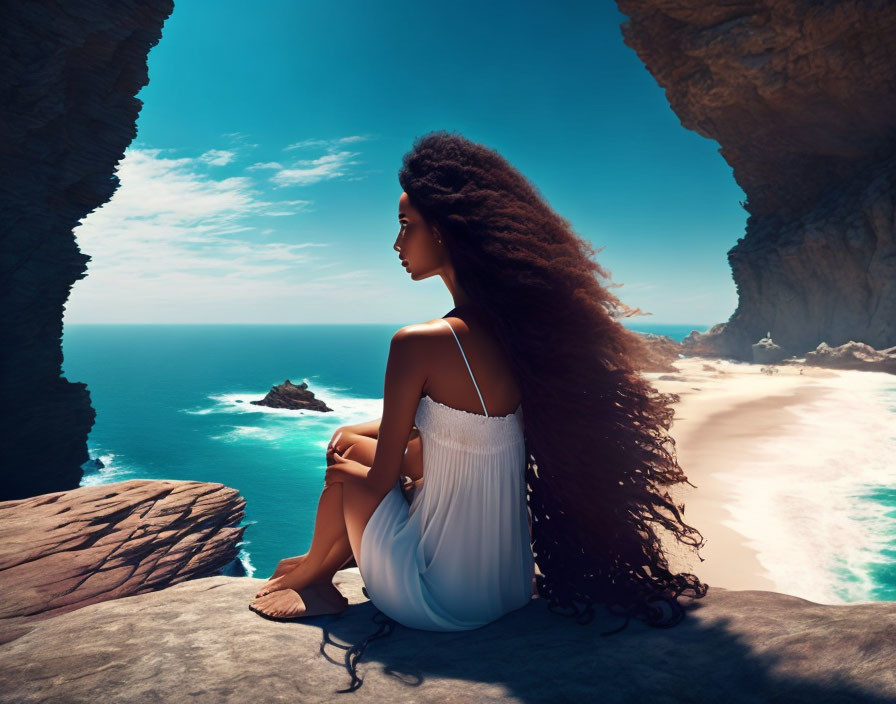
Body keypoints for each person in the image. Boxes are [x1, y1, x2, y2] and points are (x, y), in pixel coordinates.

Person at [248, 130, 708, 671]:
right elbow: (460, 429)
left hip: (434, 600)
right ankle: (316, 563)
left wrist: (346, 464)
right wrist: (361, 437)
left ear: (442, 233)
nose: (396, 245)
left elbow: (376, 481)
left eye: (405, 227)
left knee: (345, 466)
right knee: (352, 439)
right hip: (508, 588)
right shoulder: (520, 336)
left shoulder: (417, 342)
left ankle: (314, 582)